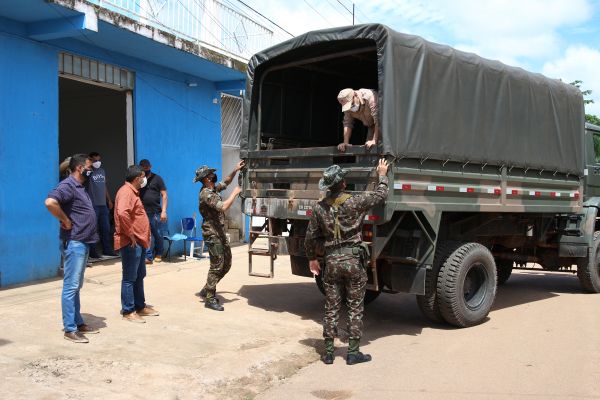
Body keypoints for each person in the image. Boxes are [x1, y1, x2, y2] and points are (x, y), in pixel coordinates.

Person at [305, 159, 389, 365]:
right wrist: (383, 174)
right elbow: (380, 195)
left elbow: (310, 238)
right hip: (353, 261)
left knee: (332, 306)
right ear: (343, 184)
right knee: (354, 306)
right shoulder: (354, 201)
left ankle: (329, 353)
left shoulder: (319, 208)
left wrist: (312, 259)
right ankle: (352, 353)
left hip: (331, 262)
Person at [45, 154, 100, 343]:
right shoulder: (68, 185)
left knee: (76, 286)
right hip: (74, 242)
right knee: (71, 286)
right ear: (79, 168)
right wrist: (65, 220)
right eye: (89, 166)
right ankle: (70, 329)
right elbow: (50, 202)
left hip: (82, 242)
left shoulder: (80, 187)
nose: (91, 170)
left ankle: (78, 321)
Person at [193, 161, 245, 311]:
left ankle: (208, 287)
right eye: (211, 174)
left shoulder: (213, 189)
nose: (213, 175)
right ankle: (210, 298)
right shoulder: (206, 194)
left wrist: (235, 170)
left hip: (219, 232)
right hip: (212, 233)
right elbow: (223, 207)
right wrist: (235, 193)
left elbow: (226, 182)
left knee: (226, 263)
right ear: (207, 178)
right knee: (217, 265)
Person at [114, 165, 159, 323]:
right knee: (129, 277)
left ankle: (140, 306)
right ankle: (128, 310)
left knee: (139, 275)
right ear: (136, 178)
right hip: (131, 242)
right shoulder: (126, 192)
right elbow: (121, 213)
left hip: (139, 241)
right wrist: (131, 234)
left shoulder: (133, 192)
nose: (144, 179)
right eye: (142, 176)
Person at [87, 152, 117, 258]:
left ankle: (107, 250)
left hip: (103, 205)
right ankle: (93, 252)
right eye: (95, 160)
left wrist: (109, 200)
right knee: (93, 229)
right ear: (90, 160)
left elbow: (104, 186)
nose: (97, 162)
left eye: (99, 160)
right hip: (92, 205)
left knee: (106, 229)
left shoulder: (102, 171)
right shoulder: (88, 173)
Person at [139, 159, 168, 264]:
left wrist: (164, 211)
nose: (145, 169)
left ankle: (159, 253)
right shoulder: (139, 179)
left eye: (147, 167)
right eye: (143, 167)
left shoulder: (157, 179)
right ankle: (148, 257)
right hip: (142, 212)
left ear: (150, 166)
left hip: (155, 212)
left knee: (158, 234)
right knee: (145, 234)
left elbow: (164, 195)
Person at [336, 88, 380, 153]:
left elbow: (378, 119)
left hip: (386, 124)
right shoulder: (347, 106)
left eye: (351, 105)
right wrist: (346, 143)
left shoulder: (370, 97)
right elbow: (348, 123)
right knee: (369, 149)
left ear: (355, 95)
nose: (350, 108)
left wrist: (374, 140)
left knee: (381, 148)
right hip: (372, 126)